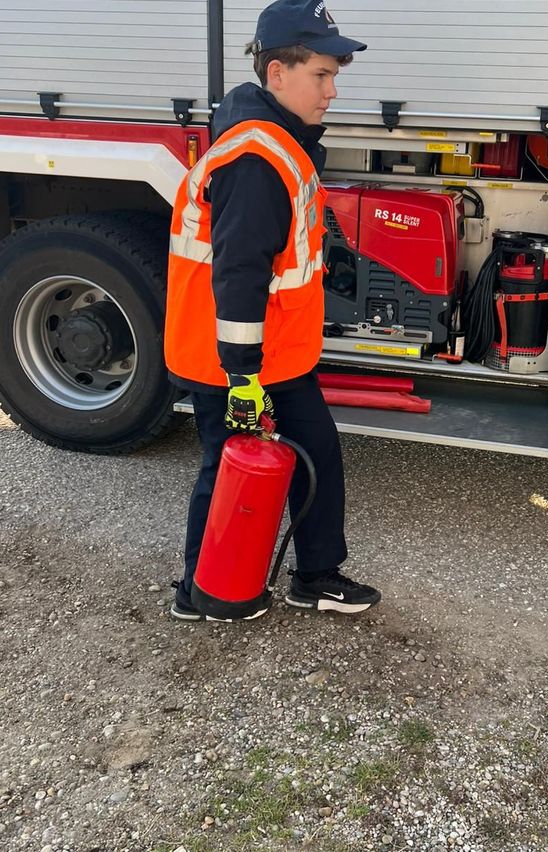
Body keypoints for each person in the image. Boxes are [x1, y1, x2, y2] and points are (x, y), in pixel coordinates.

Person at [164, 0, 381, 620]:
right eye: (322, 75)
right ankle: (204, 590)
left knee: (308, 456)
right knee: (230, 465)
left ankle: (309, 576)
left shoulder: (272, 140)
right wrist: (243, 378)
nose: (332, 92)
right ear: (278, 73)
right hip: (241, 361)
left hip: (273, 354)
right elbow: (239, 276)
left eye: (334, 76)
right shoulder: (257, 158)